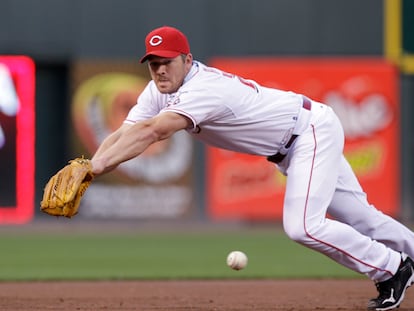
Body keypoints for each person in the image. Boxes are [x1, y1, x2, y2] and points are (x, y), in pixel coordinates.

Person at [90, 25, 414, 310]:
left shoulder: (203, 89)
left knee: (304, 227)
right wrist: (89, 166)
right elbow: (125, 132)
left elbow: (154, 132)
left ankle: (392, 267)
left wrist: (97, 168)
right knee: (363, 218)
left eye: (168, 62)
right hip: (299, 140)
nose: (160, 70)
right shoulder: (156, 92)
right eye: (154, 64)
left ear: (188, 61)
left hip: (309, 132)